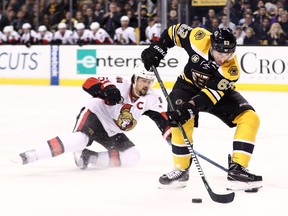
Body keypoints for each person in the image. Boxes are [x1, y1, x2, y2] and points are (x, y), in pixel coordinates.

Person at [141, 24, 263, 190]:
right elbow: (174, 31)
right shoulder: (199, 38)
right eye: (220, 52)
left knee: (250, 118)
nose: (224, 57)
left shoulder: (231, 69)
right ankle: (181, 171)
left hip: (215, 94)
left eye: (229, 53)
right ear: (212, 45)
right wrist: (158, 47)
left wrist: (189, 108)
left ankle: (238, 170)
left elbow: (209, 96)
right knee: (178, 120)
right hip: (186, 86)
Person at [16, 62, 171, 170]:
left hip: (112, 130)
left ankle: (87, 158)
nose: (147, 85)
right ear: (135, 78)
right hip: (95, 116)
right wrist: (106, 89)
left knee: (132, 157)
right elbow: (88, 83)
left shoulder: (152, 98)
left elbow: (162, 120)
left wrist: (171, 137)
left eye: (150, 82)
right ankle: (31, 155)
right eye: (143, 80)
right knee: (79, 140)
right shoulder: (118, 83)